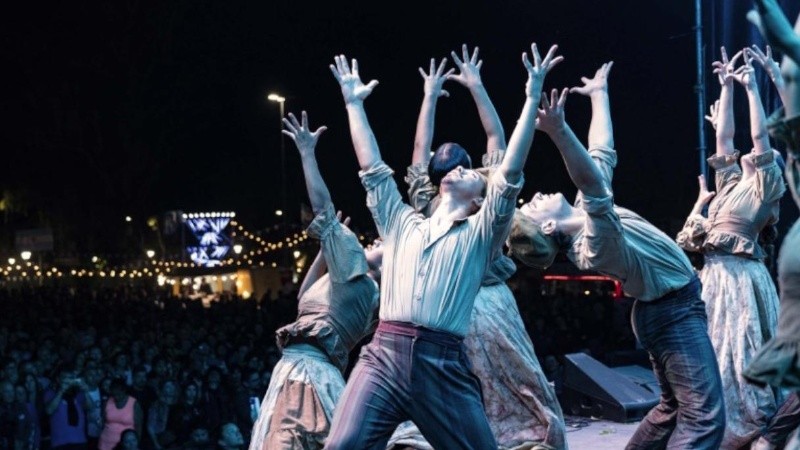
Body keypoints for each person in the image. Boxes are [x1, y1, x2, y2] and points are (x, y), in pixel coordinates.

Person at [325, 42, 562, 449]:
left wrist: (531, 96)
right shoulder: (402, 220)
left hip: (442, 362)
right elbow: (372, 168)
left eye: (468, 169)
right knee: (342, 445)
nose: (457, 170)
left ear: (479, 197)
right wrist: (353, 104)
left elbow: (509, 168)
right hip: (383, 354)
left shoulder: (481, 232)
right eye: (450, 166)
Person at [506, 66, 725, 448]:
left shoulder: (583, 216)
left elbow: (601, 155)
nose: (537, 198)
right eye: (534, 210)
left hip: (669, 307)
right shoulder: (594, 242)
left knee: (671, 409)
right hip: (672, 312)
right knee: (704, 417)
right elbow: (591, 182)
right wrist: (558, 131)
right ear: (546, 230)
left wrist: (598, 94)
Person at [248, 111, 383, 450]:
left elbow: (323, 207)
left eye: (381, 245)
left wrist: (307, 154)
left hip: (311, 374)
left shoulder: (363, 284)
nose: (374, 243)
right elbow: (303, 298)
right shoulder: (344, 274)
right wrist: (325, 248)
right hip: (293, 369)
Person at [675, 46, 786, 448]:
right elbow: (724, 137)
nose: (752, 156)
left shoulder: (764, 187)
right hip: (714, 276)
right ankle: (714, 423)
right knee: (715, 349)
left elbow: (758, 137)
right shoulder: (730, 185)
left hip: (741, 276)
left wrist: (752, 87)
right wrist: (725, 86)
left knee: (740, 350)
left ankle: (752, 430)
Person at [99, 377, 144, 450]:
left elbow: (139, 427)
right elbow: (102, 422)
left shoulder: (134, 404)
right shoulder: (107, 402)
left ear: (124, 391)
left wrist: (136, 445)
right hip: (106, 443)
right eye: (114, 395)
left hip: (127, 445)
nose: (116, 397)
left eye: (119, 394)